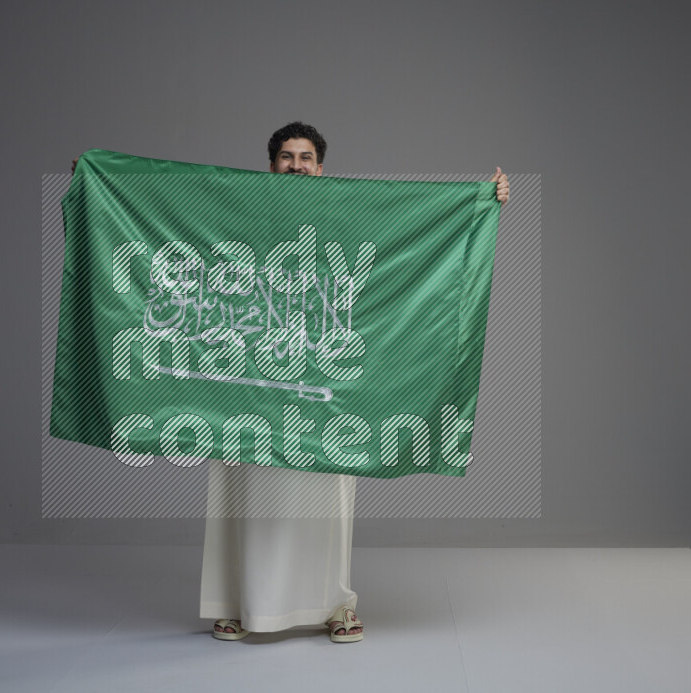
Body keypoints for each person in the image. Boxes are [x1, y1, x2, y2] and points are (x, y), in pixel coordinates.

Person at [70, 123, 509, 644]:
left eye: (305, 157)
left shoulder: (350, 214)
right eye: (285, 157)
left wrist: (483, 202)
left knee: (325, 495)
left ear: (321, 167)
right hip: (249, 379)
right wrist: (96, 183)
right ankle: (233, 604)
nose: (296, 165)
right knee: (242, 491)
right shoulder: (241, 211)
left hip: (321, 385)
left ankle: (336, 605)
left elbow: (413, 235)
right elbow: (166, 205)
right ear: (271, 165)